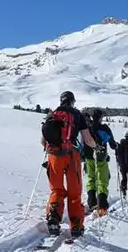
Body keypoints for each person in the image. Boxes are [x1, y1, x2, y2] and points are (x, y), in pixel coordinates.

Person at [41, 91, 97, 238]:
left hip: (54, 156)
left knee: (57, 189)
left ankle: (53, 218)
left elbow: (43, 140)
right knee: (74, 192)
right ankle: (76, 226)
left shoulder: (52, 114)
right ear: (73, 101)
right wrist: (96, 147)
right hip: (72, 155)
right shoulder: (77, 115)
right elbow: (87, 139)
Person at [83, 109, 117, 215]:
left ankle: (91, 203)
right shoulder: (105, 128)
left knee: (91, 179)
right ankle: (102, 206)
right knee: (102, 180)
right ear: (101, 117)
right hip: (101, 157)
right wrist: (115, 145)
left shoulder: (86, 128)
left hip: (88, 156)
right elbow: (112, 144)